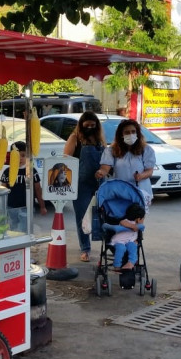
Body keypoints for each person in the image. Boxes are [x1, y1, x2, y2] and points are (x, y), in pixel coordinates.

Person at [63, 111, 106, 262]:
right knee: (82, 217)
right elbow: (66, 160)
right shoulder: (75, 138)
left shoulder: (99, 140)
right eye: (87, 125)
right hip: (80, 184)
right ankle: (85, 249)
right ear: (81, 125)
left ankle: (107, 247)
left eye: (93, 125)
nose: (90, 128)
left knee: (103, 215)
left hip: (100, 182)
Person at [95, 119, 156, 210]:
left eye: (133, 132)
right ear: (121, 135)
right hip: (120, 192)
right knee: (122, 220)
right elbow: (105, 168)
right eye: (127, 132)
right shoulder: (111, 150)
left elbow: (149, 171)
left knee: (137, 221)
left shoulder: (146, 150)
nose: (130, 134)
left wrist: (141, 176)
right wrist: (101, 172)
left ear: (137, 134)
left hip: (141, 192)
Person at [0, 141, 47, 231]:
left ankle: (25, 245)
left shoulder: (31, 171)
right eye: (17, 156)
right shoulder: (7, 172)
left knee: (25, 230)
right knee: (13, 229)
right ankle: (15, 245)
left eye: (23, 155)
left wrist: (42, 206)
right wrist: (3, 207)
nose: (20, 159)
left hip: (26, 207)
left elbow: (38, 189)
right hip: (11, 207)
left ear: (27, 156)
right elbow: (3, 189)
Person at [105, 203, 146, 273]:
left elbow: (135, 233)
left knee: (133, 247)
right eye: (143, 219)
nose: (143, 221)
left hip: (129, 241)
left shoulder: (139, 225)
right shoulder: (124, 221)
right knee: (121, 248)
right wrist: (133, 226)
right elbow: (122, 223)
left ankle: (131, 262)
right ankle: (117, 265)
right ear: (139, 219)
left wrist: (136, 239)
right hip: (119, 241)